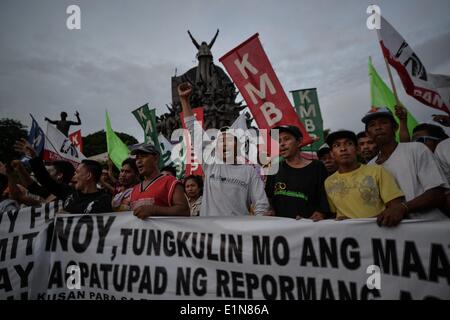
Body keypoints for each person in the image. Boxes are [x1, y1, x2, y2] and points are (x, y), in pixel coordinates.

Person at [178, 82, 270, 216]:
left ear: (239, 146)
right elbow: (194, 128)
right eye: (221, 140)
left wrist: (258, 223)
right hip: (208, 233)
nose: (224, 144)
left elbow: (261, 204)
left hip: (237, 235)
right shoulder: (211, 164)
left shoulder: (249, 172)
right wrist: (184, 100)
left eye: (229, 140)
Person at [363, 108, 449, 219]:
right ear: (368, 134)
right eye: (372, 125)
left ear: (395, 127)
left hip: (429, 227)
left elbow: (437, 194)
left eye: (383, 122)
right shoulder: (369, 167)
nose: (378, 127)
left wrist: (403, 208)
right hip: (393, 234)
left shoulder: (416, 149)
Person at [325, 130, 405, 226]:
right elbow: (333, 214)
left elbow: (395, 207)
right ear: (332, 154)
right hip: (347, 236)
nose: (343, 149)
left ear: (358, 149)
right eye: (337, 145)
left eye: (349, 144)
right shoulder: (328, 182)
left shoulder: (378, 171)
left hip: (380, 233)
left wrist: (363, 224)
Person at [14, 138, 112, 214]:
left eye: (77, 172)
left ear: (88, 175)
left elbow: (100, 227)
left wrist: (70, 219)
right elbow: (45, 180)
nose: (74, 176)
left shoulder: (104, 200)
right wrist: (34, 156)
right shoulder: (68, 192)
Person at [265, 125, 330, 220]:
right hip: (279, 229)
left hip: (309, 229)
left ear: (299, 142)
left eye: (286, 139)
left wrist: (321, 213)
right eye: (278, 141)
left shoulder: (317, 167)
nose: (282, 144)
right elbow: (269, 198)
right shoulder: (274, 168)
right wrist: (271, 210)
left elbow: (325, 197)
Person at [129, 143, 189, 219]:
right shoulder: (134, 189)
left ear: (156, 159)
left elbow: (185, 211)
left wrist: (154, 210)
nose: (138, 161)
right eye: (137, 158)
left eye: (143, 156)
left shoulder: (170, 182)